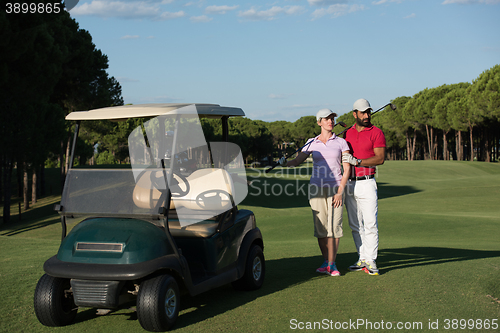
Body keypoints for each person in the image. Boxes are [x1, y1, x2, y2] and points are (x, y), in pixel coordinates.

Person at [278, 109, 351, 276]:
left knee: (334, 227)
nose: (330, 121)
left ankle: (332, 264)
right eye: (327, 119)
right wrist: (284, 163)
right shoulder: (311, 142)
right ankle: (326, 262)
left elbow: (346, 169)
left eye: (332, 118)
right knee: (321, 228)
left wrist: (340, 191)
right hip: (316, 188)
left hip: (335, 189)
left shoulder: (341, 142)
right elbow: (296, 161)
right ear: (319, 122)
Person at [342, 98, 386, 276]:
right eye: (363, 112)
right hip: (349, 184)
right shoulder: (346, 133)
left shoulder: (376, 132)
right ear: (355, 114)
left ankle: (371, 259)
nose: (367, 115)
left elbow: (380, 158)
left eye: (368, 112)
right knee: (355, 225)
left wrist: (358, 161)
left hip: (367, 182)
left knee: (370, 223)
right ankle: (362, 257)